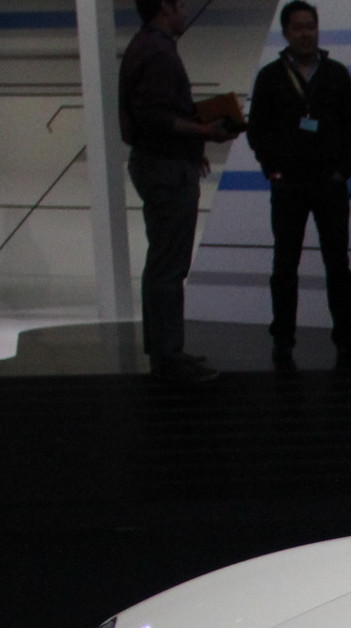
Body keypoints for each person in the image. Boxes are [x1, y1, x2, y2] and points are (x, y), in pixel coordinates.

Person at [121, 0, 239, 384]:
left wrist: (193, 147)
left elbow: (155, 115)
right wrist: (204, 132)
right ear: (166, 7)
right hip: (166, 170)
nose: (185, 12)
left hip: (162, 164)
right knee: (169, 266)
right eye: (180, 5)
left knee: (162, 263)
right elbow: (154, 116)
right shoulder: (157, 52)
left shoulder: (148, 47)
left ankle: (163, 350)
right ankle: (170, 355)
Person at [249, 1, 351, 369]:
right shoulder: (270, 77)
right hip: (289, 184)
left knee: (338, 265)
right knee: (284, 265)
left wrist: (341, 171)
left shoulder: (336, 74)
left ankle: (345, 335)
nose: (305, 33)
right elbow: (258, 131)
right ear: (285, 32)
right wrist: (273, 170)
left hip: (329, 183)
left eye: (310, 26)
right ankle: (283, 336)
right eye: (298, 27)